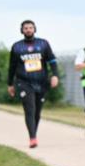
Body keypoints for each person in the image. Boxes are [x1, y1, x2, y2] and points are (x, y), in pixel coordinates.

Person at [6, 20, 59, 148]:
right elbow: (12, 67)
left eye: (30, 27)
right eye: (26, 28)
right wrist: (10, 84)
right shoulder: (17, 47)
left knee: (37, 112)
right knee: (29, 109)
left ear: (34, 29)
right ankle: (32, 138)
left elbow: (52, 61)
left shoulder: (43, 44)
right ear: (22, 30)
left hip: (41, 82)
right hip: (24, 82)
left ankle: (33, 133)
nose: (28, 30)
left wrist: (55, 75)